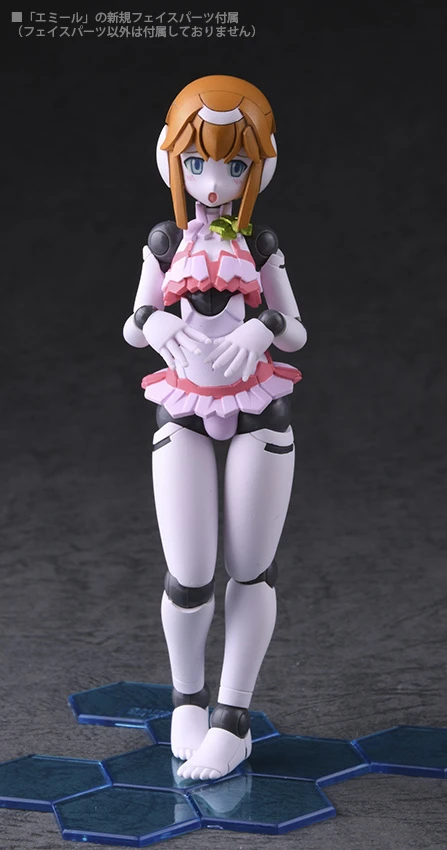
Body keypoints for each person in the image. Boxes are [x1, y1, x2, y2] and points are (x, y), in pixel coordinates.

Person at [123, 75, 307, 781]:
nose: (212, 182)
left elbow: (296, 331)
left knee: (250, 569)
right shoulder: (165, 240)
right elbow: (134, 322)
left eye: (233, 165)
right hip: (183, 407)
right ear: (171, 159)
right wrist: (152, 322)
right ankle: (187, 700)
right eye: (197, 163)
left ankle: (233, 718)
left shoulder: (259, 242)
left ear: (259, 166)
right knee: (190, 573)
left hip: (259, 408)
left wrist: (263, 326)